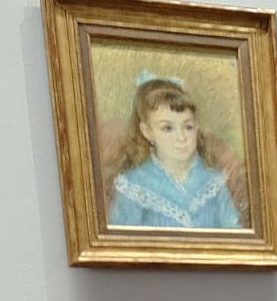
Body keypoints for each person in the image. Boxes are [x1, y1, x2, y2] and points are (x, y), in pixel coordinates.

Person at [104, 76, 244, 229]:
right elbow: (121, 238)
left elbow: (234, 232)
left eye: (188, 127)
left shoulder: (212, 181)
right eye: (168, 128)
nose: (181, 137)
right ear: (147, 132)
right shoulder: (135, 185)